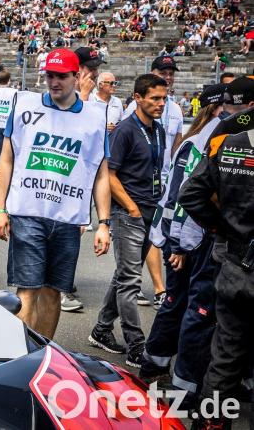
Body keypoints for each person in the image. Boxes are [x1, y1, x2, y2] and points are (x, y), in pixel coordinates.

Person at [0, 49, 111, 339]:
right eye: (49, 76)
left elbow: (101, 173)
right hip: (27, 213)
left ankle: (45, 352)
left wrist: (104, 224)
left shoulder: (95, 117)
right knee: (27, 291)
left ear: (76, 76)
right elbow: (6, 159)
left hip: (67, 219)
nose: (54, 82)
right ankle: (21, 354)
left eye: (61, 76)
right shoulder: (24, 105)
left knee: (53, 292)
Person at [140, 83, 226, 405]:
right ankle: (158, 372)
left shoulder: (212, 139)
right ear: (215, 109)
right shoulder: (196, 143)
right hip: (182, 238)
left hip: (191, 237)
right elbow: (178, 197)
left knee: (185, 306)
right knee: (182, 306)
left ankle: (164, 371)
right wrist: (177, 245)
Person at [179, 106, 254, 430]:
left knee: (225, 356)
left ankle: (210, 423)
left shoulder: (231, 142)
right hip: (238, 261)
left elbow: (190, 194)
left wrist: (222, 228)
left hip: (236, 265)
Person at [91, 74, 169, 368]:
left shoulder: (158, 129)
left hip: (150, 210)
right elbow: (108, 175)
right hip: (128, 213)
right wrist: (132, 208)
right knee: (130, 281)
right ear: (137, 98)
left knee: (124, 274)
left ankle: (101, 330)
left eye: (164, 98)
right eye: (155, 98)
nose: (161, 103)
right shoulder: (125, 130)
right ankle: (137, 345)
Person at [123, 55, 183, 308]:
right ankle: (158, 289)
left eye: (171, 74)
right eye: (163, 73)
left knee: (158, 235)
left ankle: (134, 283)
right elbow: (127, 141)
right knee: (144, 238)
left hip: (164, 182)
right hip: (138, 184)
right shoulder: (134, 109)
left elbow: (177, 145)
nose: (168, 77)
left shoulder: (176, 109)